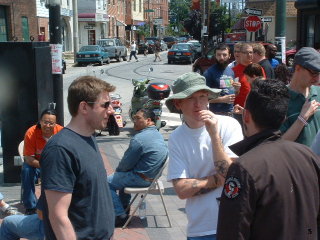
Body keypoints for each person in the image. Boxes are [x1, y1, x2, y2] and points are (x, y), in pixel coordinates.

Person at [217, 79, 320, 240]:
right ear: (283, 117)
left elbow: (232, 231)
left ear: (246, 116)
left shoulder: (244, 167)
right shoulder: (309, 157)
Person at [165, 72, 243, 240]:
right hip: (200, 228)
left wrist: (214, 135)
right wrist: (217, 180)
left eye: (202, 97)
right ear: (178, 103)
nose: (198, 104)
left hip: (234, 223)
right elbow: (181, 190)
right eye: (191, 98)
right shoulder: (177, 137)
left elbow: (231, 176)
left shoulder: (229, 125)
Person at [40, 76, 115, 239]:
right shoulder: (60, 149)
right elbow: (58, 216)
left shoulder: (89, 138)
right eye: (105, 105)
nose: (111, 110)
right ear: (84, 107)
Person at [107, 108, 168, 227]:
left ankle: (120, 215)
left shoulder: (139, 139)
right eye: (134, 118)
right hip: (152, 178)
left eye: (138, 118)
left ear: (149, 120)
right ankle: (124, 209)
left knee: (106, 182)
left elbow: (125, 164)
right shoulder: (157, 134)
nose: (135, 121)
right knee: (123, 176)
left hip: (142, 179)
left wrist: (117, 173)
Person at [22, 108, 63, 215]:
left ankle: (60, 203)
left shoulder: (61, 132)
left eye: (51, 123)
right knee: (26, 170)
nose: (48, 125)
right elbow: (28, 158)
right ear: (40, 121)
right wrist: (44, 166)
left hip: (56, 166)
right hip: (37, 165)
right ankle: (30, 206)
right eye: (45, 122)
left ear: (55, 124)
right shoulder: (31, 132)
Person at [280, 47, 320, 147]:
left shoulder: (318, 92)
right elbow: (279, 145)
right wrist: (302, 118)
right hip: (294, 161)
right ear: (298, 68)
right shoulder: (280, 98)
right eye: (314, 73)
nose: (317, 79)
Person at [203, 44, 238, 116]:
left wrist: (237, 89)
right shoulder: (209, 73)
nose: (221, 57)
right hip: (215, 114)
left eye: (224, 55)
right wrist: (222, 99)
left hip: (230, 113)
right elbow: (203, 98)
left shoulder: (230, 71)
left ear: (229, 55)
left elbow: (230, 92)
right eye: (218, 55)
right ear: (215, 56)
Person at [232, 43, 254, 108]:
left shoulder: (258, 68)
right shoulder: (233, 71)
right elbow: (229, 91)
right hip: (239, 109)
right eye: (246, 53)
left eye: (251, 52)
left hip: (255, 109)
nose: (249, 55)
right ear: (240, 54)